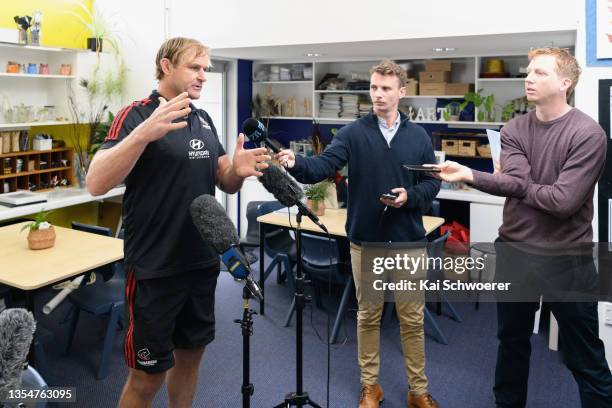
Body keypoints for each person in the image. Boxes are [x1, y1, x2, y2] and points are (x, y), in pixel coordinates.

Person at [86, 37, 270, 408]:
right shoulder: (136, 115)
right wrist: (144, 134)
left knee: (190, 359)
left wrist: (238, 169)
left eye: (206, 68)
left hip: (201, 265)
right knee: (147, 376)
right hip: (155, 267)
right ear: (167, 66)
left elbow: (224, 179)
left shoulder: (202, 119)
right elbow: (95, 182)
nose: (203, 75)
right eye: (194, 67)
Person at [434, 47, 612, 407]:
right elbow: (521, 184)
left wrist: (512, 183)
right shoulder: (514, 129)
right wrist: (478, 175)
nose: (528, 78)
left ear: (565, 82)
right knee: (511, 345)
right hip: (516, 253)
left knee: (585, 358)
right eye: (528, 71)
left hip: (568, 261)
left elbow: (562, 202)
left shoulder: (588, 134)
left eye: (540, 73)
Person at [277, 60, 441, 408]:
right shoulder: (353, 133)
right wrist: (296, 163)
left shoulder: (418, 136)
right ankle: (371, 387)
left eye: (385, 88)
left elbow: (432, 183)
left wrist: (410, 196)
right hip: (367, 242)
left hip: (409, 242)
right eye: (373, 87)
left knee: (411, 320)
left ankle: (418, 390)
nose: (378, 94)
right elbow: (322, 166)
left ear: (402, 92)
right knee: (368, 316)